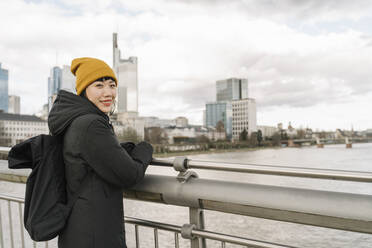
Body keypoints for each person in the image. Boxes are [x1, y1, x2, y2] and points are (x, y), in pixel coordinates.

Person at [48, 57, 153, 248]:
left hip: (78, 227)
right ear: (84, 90)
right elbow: (130, 174)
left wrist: (124, 150)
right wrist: (146, 149)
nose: (108, 93)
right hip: (95, 232)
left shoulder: (75, 120)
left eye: (112, 85)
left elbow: (93, 157)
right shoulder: (91, 124)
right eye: (99, 85)